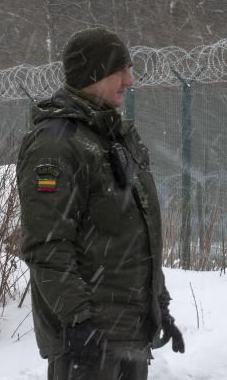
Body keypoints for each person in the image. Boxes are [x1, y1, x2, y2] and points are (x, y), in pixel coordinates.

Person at [16, 27, 185, 380]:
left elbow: (137, 232)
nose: (130, 80)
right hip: (88, 343)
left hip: (129, 333)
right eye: (120, 70)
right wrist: (79, 321)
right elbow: (48, 244)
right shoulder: (56, 145)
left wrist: (159, 304)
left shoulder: (113, 138)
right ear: (93, 74)